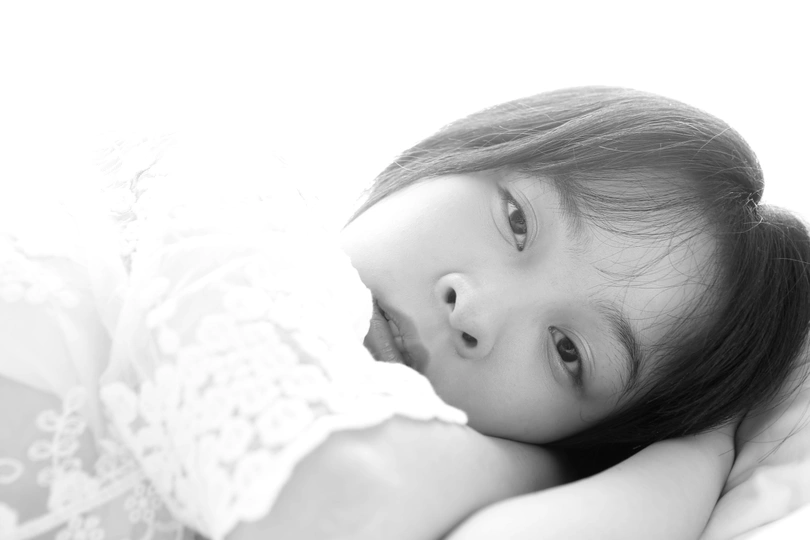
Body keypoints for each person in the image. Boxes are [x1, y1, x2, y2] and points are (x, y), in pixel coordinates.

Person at [1, 86, 808, 540]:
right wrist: (551, 468)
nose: (474, 309)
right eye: (517, 220)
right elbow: (333, 506)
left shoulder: (433, 482)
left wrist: (693, 451)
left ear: (593, 431)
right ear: (463, 151)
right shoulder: (219, 175)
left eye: (569, 352)